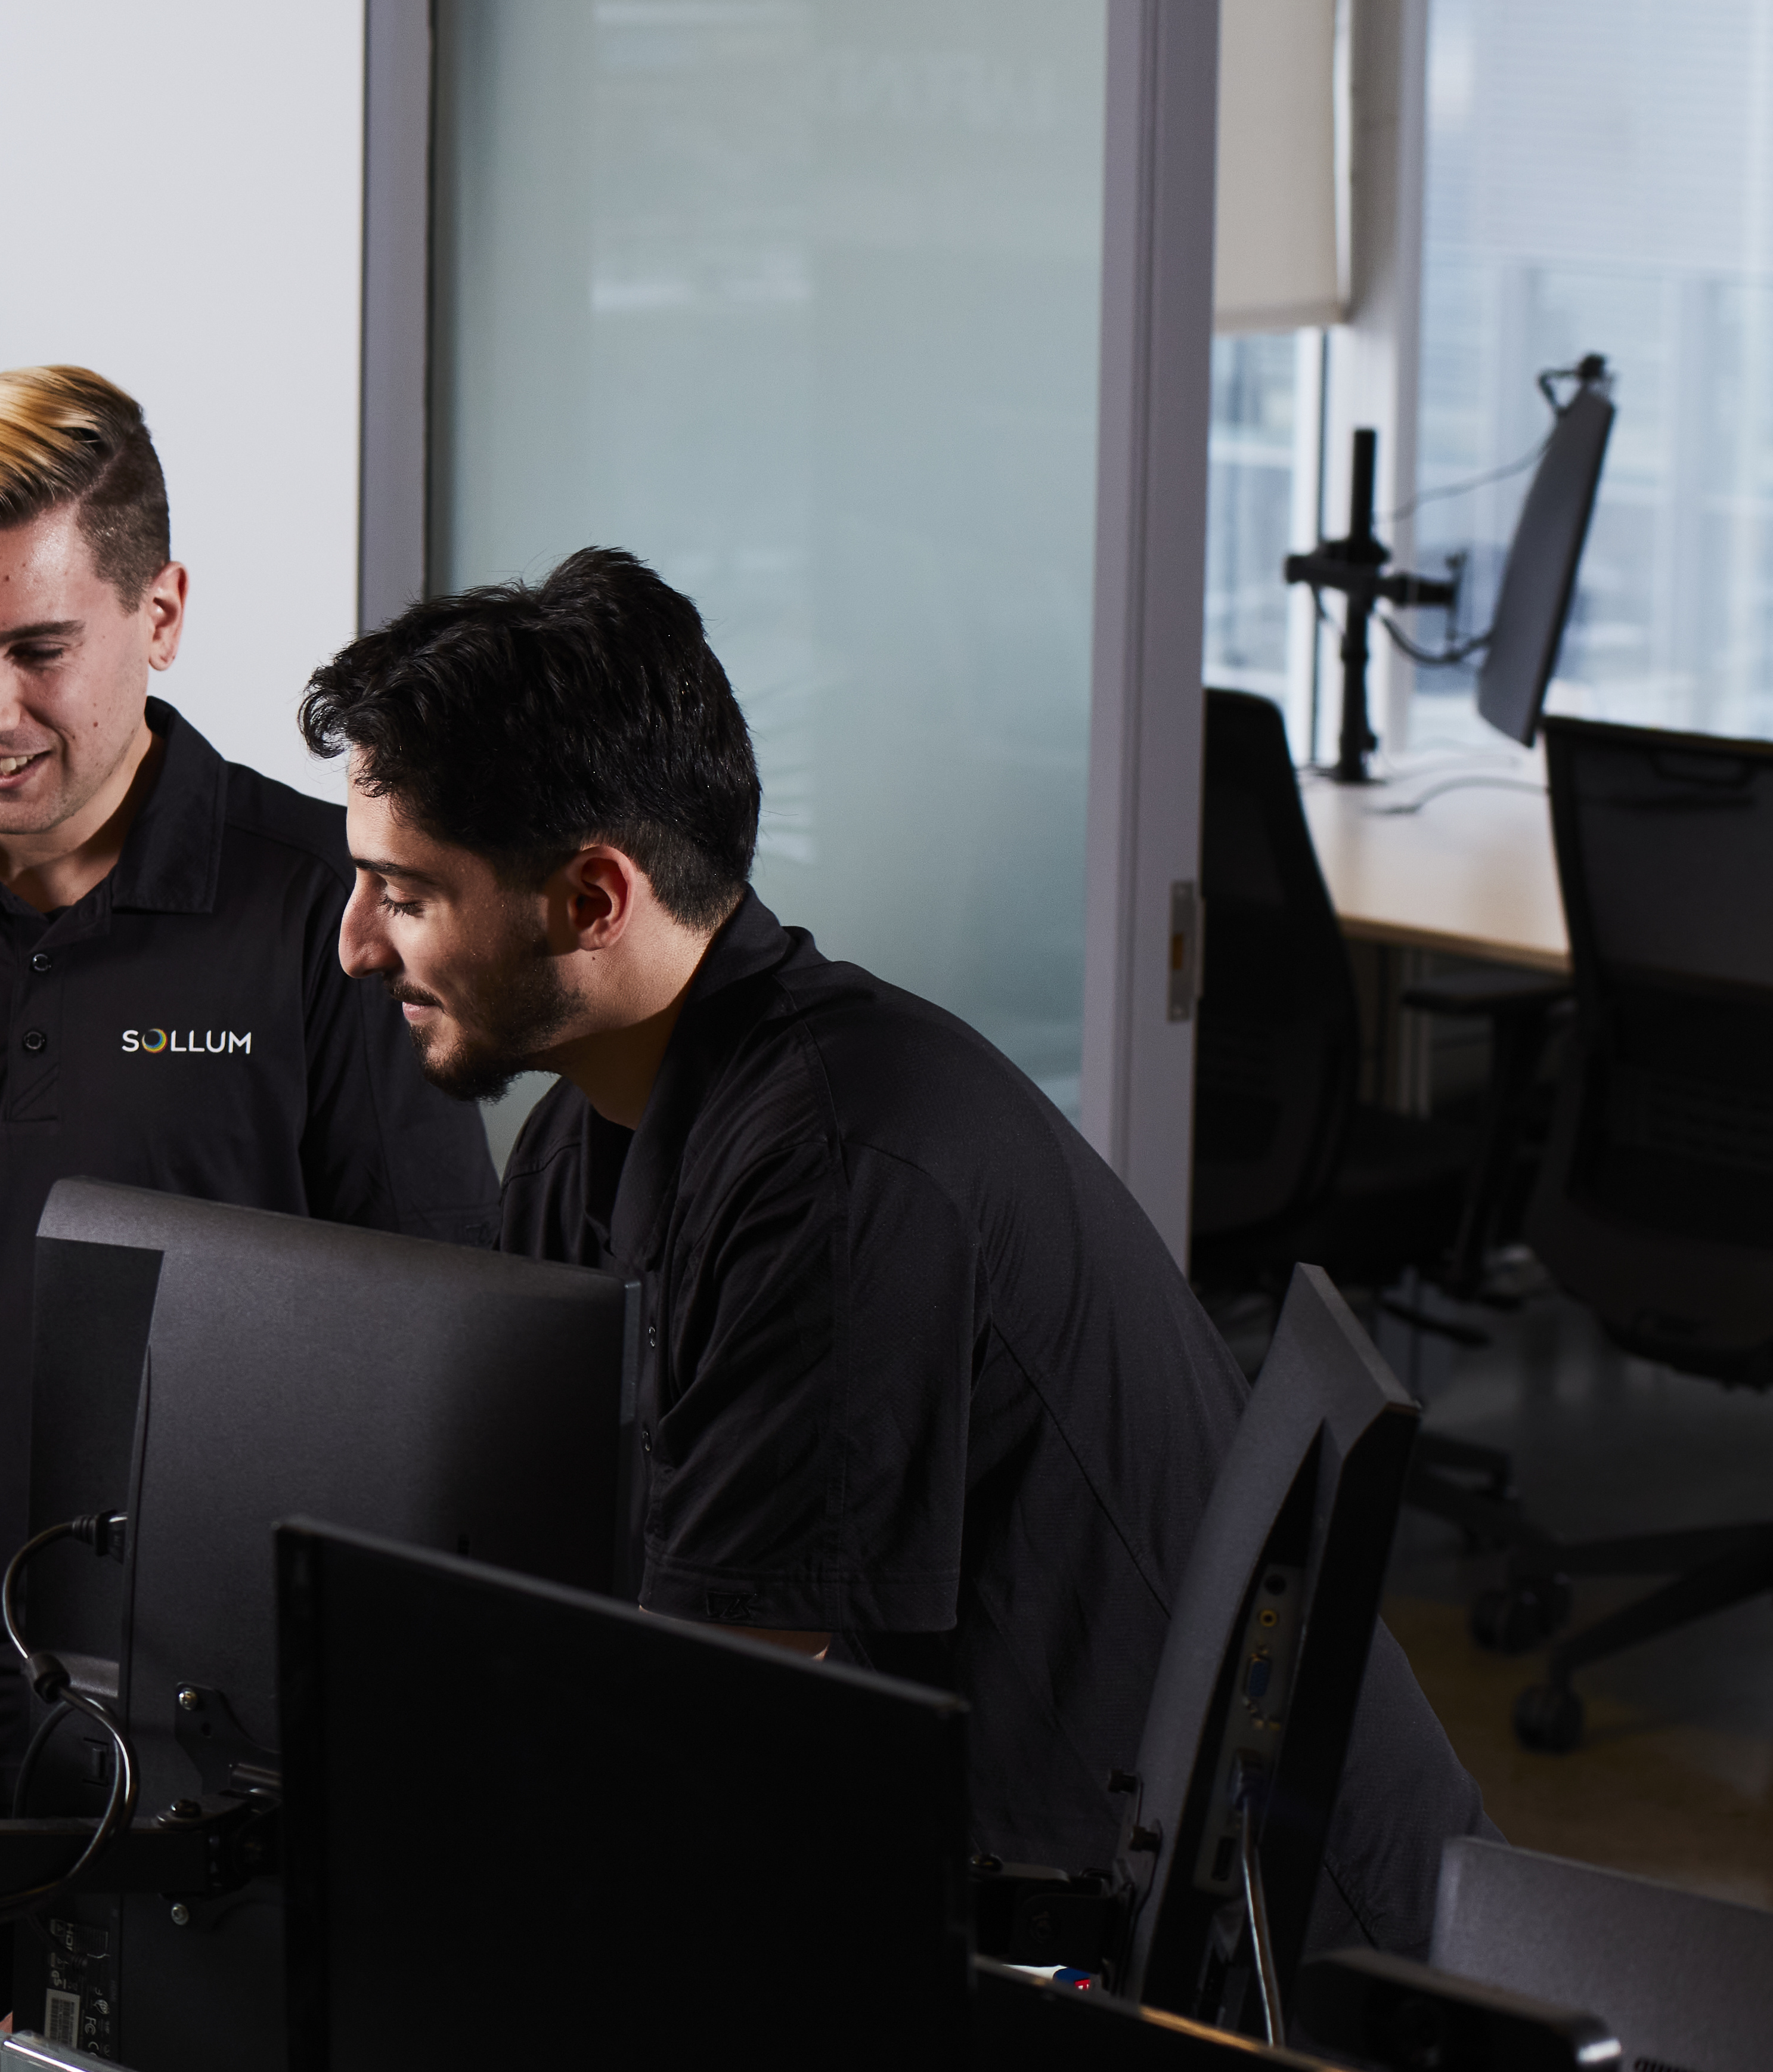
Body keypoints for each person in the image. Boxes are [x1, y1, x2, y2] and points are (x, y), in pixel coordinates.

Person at [305, 546, 1484, 1948]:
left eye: (404, 892)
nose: (352, 948)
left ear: (591, 901)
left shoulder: (835, 1175)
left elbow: (711, 1724)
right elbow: (554, 1562)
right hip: (1016, 1873)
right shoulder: (591, 1132)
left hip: (1261, 1961)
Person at [0, 368, 501, 1818]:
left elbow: (439, 1381)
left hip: (226, 1766)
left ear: (160, 614)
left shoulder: (341, 923)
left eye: (36, 648)